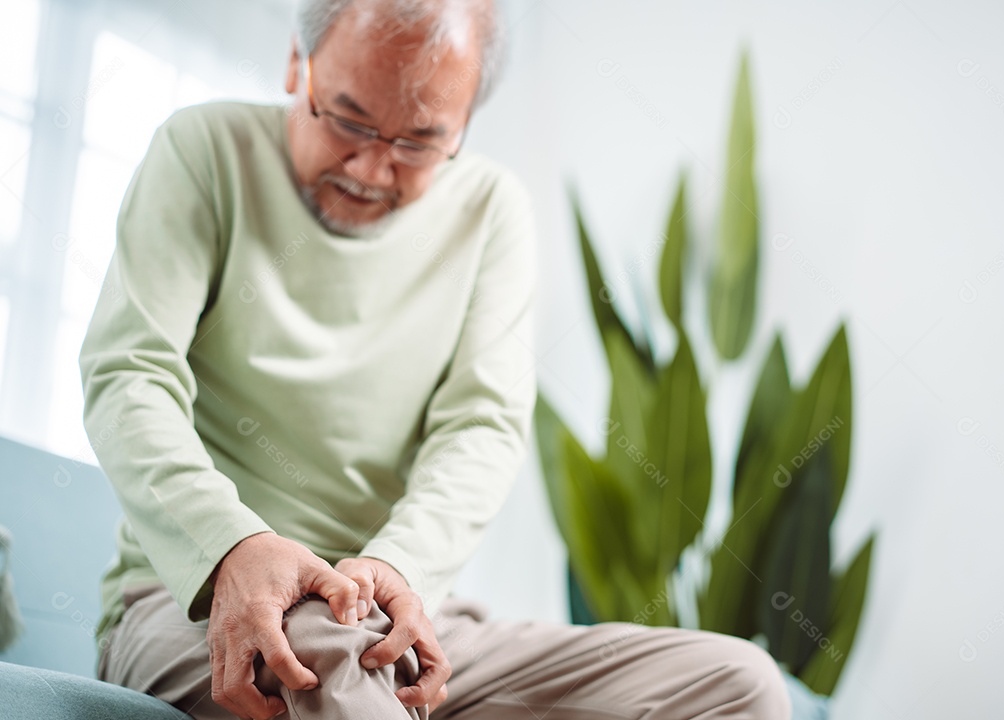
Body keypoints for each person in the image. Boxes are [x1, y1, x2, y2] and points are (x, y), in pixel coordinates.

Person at [80, 0, 793, 718]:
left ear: (465, 127)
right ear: (298, 64)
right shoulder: (204, 151)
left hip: (394, 617)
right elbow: (129, 373)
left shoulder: (490, 213)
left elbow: (481, 428)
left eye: (419, 143)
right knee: (328, 657)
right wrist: (234, 545)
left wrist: (396, 570)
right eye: (350, 120)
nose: (371, 166)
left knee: (738, 684)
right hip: (201, 606)